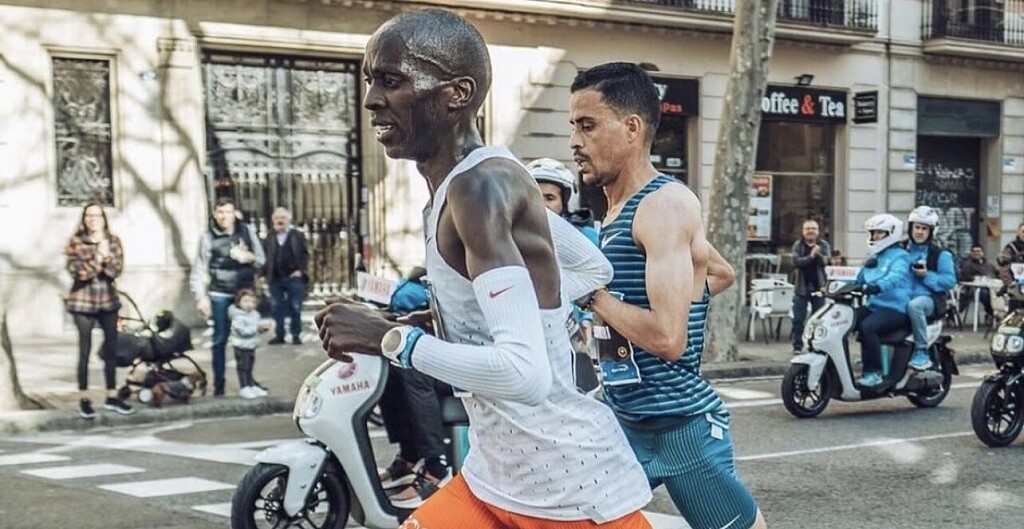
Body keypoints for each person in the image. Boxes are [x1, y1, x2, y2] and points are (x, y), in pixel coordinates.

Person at [315, 10, 651, 529]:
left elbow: (524, 375)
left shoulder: (479, 188)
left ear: (458, 93)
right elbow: (591, 266)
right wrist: (464, 322)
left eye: (391, 81)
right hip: (495, 477)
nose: (371, 100)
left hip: (566, 492)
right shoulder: (474, 181)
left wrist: (388, 339)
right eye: (370, 81)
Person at [569, 61, 765, 529]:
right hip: (625, 420)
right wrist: (677, 298)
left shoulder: (664, 205)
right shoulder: (614, 211)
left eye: (588, 125)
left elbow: (667, 338)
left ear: (632, 128)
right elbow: (718, 272)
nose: (575, 141)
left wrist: (595, 298)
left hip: (680, 429)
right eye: (573, 126)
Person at [376, 266, 454, 509]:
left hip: (469, 353)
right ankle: (410, 455)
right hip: (447, 341)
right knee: (390, 368)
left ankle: (437, 467)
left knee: (415, 372)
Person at [189, 197, 266, 397]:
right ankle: (219, 385)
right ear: (215, 214)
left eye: (228, 212)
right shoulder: (208, 237)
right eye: (220, 212)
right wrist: (201, 297)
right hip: (219, 294)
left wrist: (248, 257)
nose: (224, 216)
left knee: (248, 339)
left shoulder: (246, 231)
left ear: (234, 213)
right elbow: (199, 269)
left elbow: (261, 259)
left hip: (243, 295)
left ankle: (248, 382)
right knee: (220, 340)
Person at [64, 201, 134, 418]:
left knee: (111, 348)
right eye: (89, 216)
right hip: (83, 302)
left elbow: (115, 270)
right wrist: (99, 258)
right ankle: (84, 398)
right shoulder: (76, 242)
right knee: (84, 350)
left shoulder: (113, 241)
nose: (93, 220)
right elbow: (78, 273)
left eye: (97, 216)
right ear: (84, 219)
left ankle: (111, 396)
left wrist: (105, 259)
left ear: (104, 219)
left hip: (107, 300)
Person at [853, 214, 913, 387]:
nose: (875, 237)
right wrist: (836, 286)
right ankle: (864, 360)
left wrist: (876, 287)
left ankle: (874, 372)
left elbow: (894, 278)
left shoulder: (901, 256)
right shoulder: (874, 256)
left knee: (868, 327)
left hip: (895, 308)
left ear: (891, 233)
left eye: (879, 233)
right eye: (873, 233)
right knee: (848, 318)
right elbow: (859, 278)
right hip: (874, 306)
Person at [902, 206, 956, 370]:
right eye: (917, 227)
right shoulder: (900, 250)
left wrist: (926, 275)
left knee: (915, 306)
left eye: (924, 229)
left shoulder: (940, 254)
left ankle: (921, 350)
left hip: (929, 299)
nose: (919, 232)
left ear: (931, 231)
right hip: (903, 295)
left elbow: (949, 281)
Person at [263, 207, 309, 346]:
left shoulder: (297, 235)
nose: (280, 220)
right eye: (277, 218)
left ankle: (296, 335)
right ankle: (279, 335)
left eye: (283, 218)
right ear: (273, 220)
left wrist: (301, 270)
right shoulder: (269, 236)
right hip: (275, 278)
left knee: (295, 307)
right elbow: (264, 256)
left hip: (294, 277)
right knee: (277, 308)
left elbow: (306, 254)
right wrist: (263, 274)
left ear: (289, 219)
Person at [790, 219, 831, 354]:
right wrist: (810, 256)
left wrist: (817, 255)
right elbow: (796, 262)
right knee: (798, 319)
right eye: (808, 229)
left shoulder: (823, 245)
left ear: (818, 231)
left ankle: (815, 345)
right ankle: (797, 346)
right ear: (803, 231)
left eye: (813, 229)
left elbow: (826, 261)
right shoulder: (798, 245)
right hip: (801, 287)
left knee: (818, 319)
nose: (811, 231)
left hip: (819, 287)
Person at [228, 289, 268, 399]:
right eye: (245, 301)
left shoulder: (255, 314)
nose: (249, 304)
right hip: (241, 345)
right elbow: (243, 331)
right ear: (239, 302)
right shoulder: (238, 316)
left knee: (250, 367)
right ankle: (244, 386)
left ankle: (251, 385)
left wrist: (262, 328)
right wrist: (257, 329)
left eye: (252, 301)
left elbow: (256, 327)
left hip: (251, 345)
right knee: (243, 367)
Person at [960, 244, 999, 324]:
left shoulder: (989, 265)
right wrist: (978, 278)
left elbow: (995, 274)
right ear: (971, 253)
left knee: (1001, 293)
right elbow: (965, 276)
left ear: (983, 253)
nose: (976, 253)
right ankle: (991, 314)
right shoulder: (968, 265)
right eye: (974, 251)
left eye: (979, 251)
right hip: (974, 290)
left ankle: (999, 314)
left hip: (991, 287)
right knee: (986, 295)